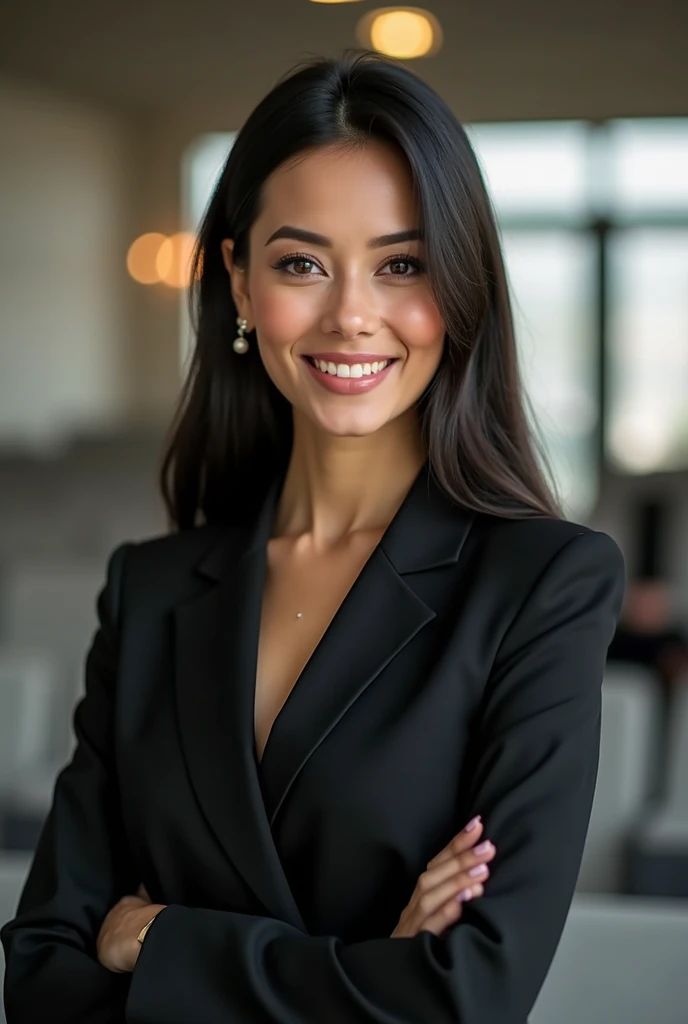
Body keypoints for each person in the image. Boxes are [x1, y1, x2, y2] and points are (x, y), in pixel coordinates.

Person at [1, 51, 626, 1023]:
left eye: (400, 264)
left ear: (459, 288)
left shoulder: (542, 584)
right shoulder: (152, 590)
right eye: (301, 263)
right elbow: (43, 977)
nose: (350, 315)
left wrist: (159, 938)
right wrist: (364, 966)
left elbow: (467, 998)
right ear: (240, 285)